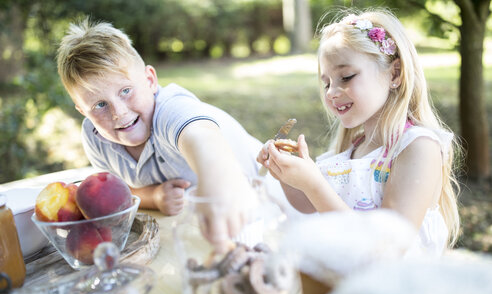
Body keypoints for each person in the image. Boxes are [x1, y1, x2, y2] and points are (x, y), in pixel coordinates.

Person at [257, 9, 460, 257]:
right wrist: (287, 174)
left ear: (394, 73)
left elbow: (387, 249)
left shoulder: (417, 147)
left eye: (346, 77)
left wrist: (314, 183)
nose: (331, 92)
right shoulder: (355, 148)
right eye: (327, 82)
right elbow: (311, 204)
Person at [56, 19, 272, 252]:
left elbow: (203, 139)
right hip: (200, 227)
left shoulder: (171, 109)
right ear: (83, 112)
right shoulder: (95, 136)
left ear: (150, 81)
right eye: (99, 105)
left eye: (126, 91)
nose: (119, 113)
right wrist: (153, 197)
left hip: (269, 199)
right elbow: (114, 194)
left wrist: (220, 188)